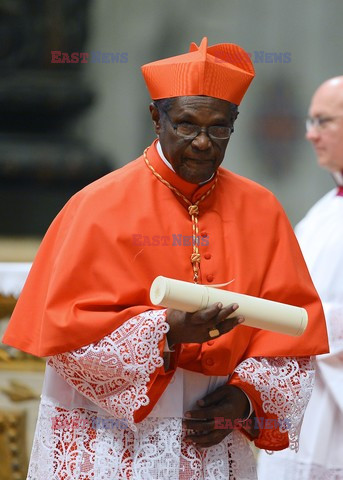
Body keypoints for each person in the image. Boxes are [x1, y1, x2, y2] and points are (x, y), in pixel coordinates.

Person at [2, 38, 328, 480]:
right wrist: (167, 329)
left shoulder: (261, 208)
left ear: (235, 123)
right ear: (157, 118)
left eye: (219, 129)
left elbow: (290, 334)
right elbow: (67, 338)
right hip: (110, 435)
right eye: (187, 125)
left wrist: (244, 400)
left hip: (210, 436)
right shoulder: (97, 205)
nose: (202, 143)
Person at [258, 77, 343, 479]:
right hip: (302, 399)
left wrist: (296, 320)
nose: (310, 134)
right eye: (309, 121)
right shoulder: (323, 208)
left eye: (323, 121)